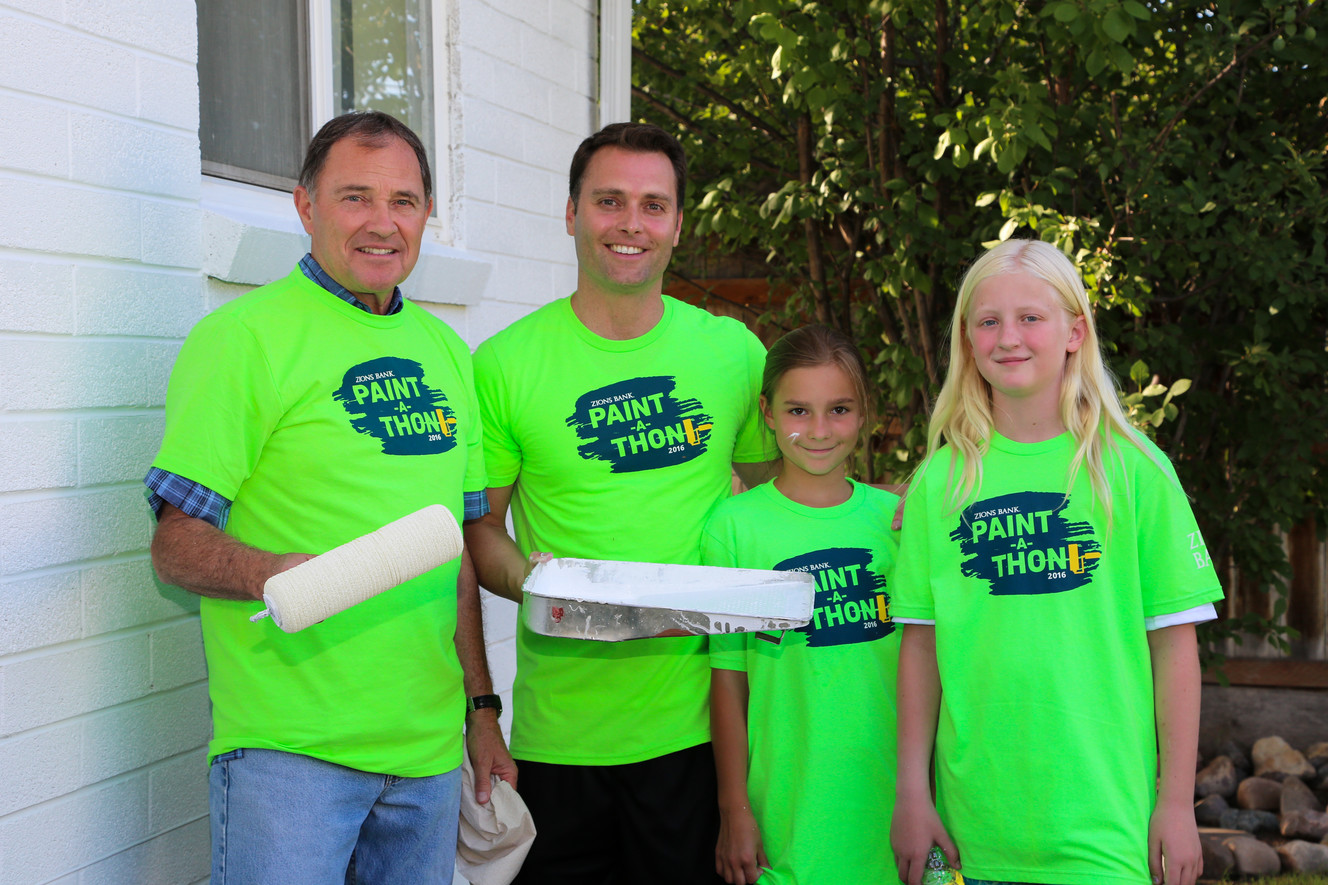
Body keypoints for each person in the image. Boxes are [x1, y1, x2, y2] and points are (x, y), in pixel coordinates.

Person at [145, 110, 514, 883]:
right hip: (290, 756)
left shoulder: (448, 354)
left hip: (426, 757)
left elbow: (453, 555)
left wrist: (481, 711)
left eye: (403, 201)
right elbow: (174, 544)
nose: (383, 222)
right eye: (356, 197)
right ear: (305, 206)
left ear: (427, 214)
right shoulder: (245, 338)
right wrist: (274, 571)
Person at [466, 121, 771, 884]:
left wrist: (884, 512)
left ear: (678, 225)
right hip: (559, 740)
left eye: (653, 205)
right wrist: (535, 582)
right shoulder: (504, 364)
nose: (631, 223)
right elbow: (479, 529)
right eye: (609, 201)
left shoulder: (735, 353)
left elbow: (784, 507)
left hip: (700, 735)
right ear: (571, 212)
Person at [888, 238, 1222, 885]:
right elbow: (921, 647)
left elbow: (1175, 646)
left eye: (1030, 318)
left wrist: (1177, 803)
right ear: (967, 340)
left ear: (1075, 332)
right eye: (989, 321)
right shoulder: (941, 482)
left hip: (1105, 829)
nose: (1008, 337)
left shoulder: (1134, 471)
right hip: (974, 831)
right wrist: (912, 792)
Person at [703, 325, 902, 885]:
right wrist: (734, 809)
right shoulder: (733, 529)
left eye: (838, 409)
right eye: (798, 411)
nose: (818, 430)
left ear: (863, 414)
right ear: (767, 413)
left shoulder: (896, 522)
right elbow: (728, 681)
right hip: (784, 816)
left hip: (890, 810)